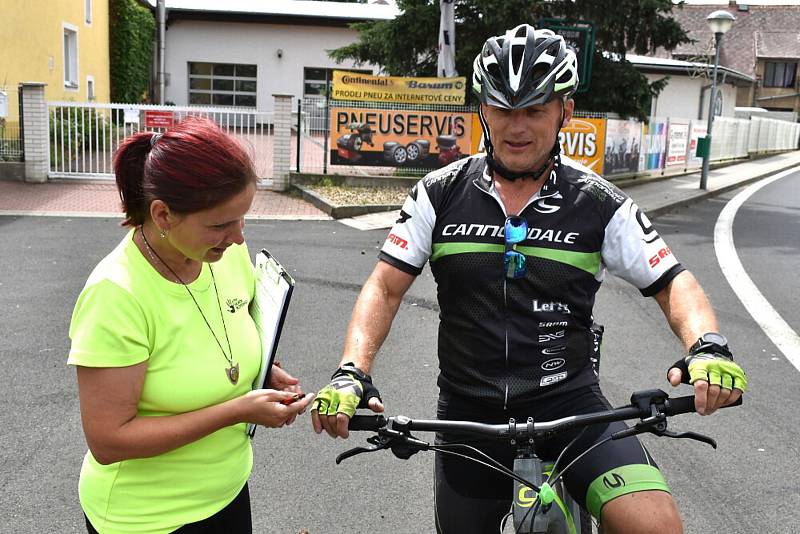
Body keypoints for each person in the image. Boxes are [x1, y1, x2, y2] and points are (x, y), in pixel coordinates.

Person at [310, 24, 747, 534]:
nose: (516, 127)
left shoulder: (598, 202)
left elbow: (674, 282)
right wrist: (351, 371)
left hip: (572, 407)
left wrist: (708, 346)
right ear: (482, 111)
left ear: (565, 110)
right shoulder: (439, 193)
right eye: (502, 109)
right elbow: (384, 287)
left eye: (534, 111)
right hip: (468, 414)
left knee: (656, 527)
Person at [68, 116, 313, 534]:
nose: (237, 238)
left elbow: (218, 337)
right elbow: (108, 441)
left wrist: (263, 367)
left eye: (242, 219)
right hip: (147, 520)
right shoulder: (116, 294)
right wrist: (236, 410)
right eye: (220, 224)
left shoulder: (225, 255)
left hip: (228, 494)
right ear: (162, 215)